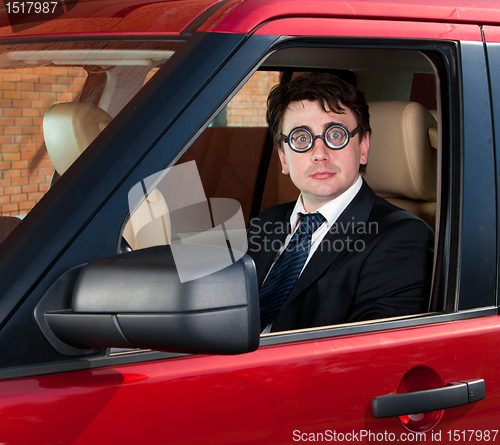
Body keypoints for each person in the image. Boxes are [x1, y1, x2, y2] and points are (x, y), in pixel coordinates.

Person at [247, 72, 434, 333]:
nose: (319, 154)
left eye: (336, 135)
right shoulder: (269, 221)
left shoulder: (402, 238)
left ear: (364, 146)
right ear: (283, 158)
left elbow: (370, 358)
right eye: (301, 138)